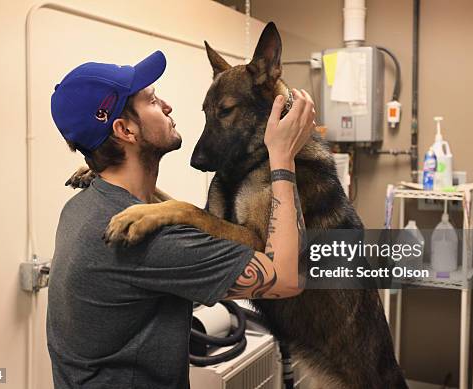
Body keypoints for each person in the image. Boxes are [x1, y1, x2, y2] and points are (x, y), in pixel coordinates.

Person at [47, 50, 315, 389]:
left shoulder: (84, 204)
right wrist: (283, 156)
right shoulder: (143, 238)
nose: (168, 106)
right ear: (125, 129)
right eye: (153, 100)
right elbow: (287, 278)